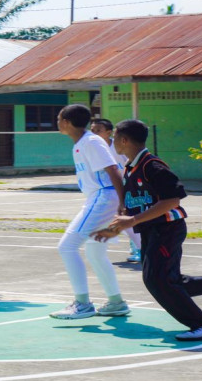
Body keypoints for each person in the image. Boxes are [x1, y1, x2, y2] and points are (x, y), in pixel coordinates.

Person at [94, 119, 202, 341]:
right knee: (164, 280)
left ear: (124, 140)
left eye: (115, 138)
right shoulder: (131, 167)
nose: (113, 142)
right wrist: (117, 227)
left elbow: (172, 201)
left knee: (159, 280)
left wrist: (132, 220)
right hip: (152, 229)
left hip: (168, 228)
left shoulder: (152, 166)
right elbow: (138, 205)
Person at [49, 104, 130, 320]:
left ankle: (82, 304)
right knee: (95, 252)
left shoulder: (91, 142)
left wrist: (123, 202)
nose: (57, 122)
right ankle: (116, 302)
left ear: (65, 122)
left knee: (67, 246)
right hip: (99, 197)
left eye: (58, 118)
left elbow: (113, 169)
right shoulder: (82, 143)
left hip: (103, 197)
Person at [90, 118, 141, 263]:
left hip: (128, 185)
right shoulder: (94, 148)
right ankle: (137, 247)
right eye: (92, 131)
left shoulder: (118, 146)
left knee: (128, 217)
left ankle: (140, 248)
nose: (94, 134)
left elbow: (131, 161)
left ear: (109, 132)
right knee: (120, 218)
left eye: (98, 130)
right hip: (111, 189)